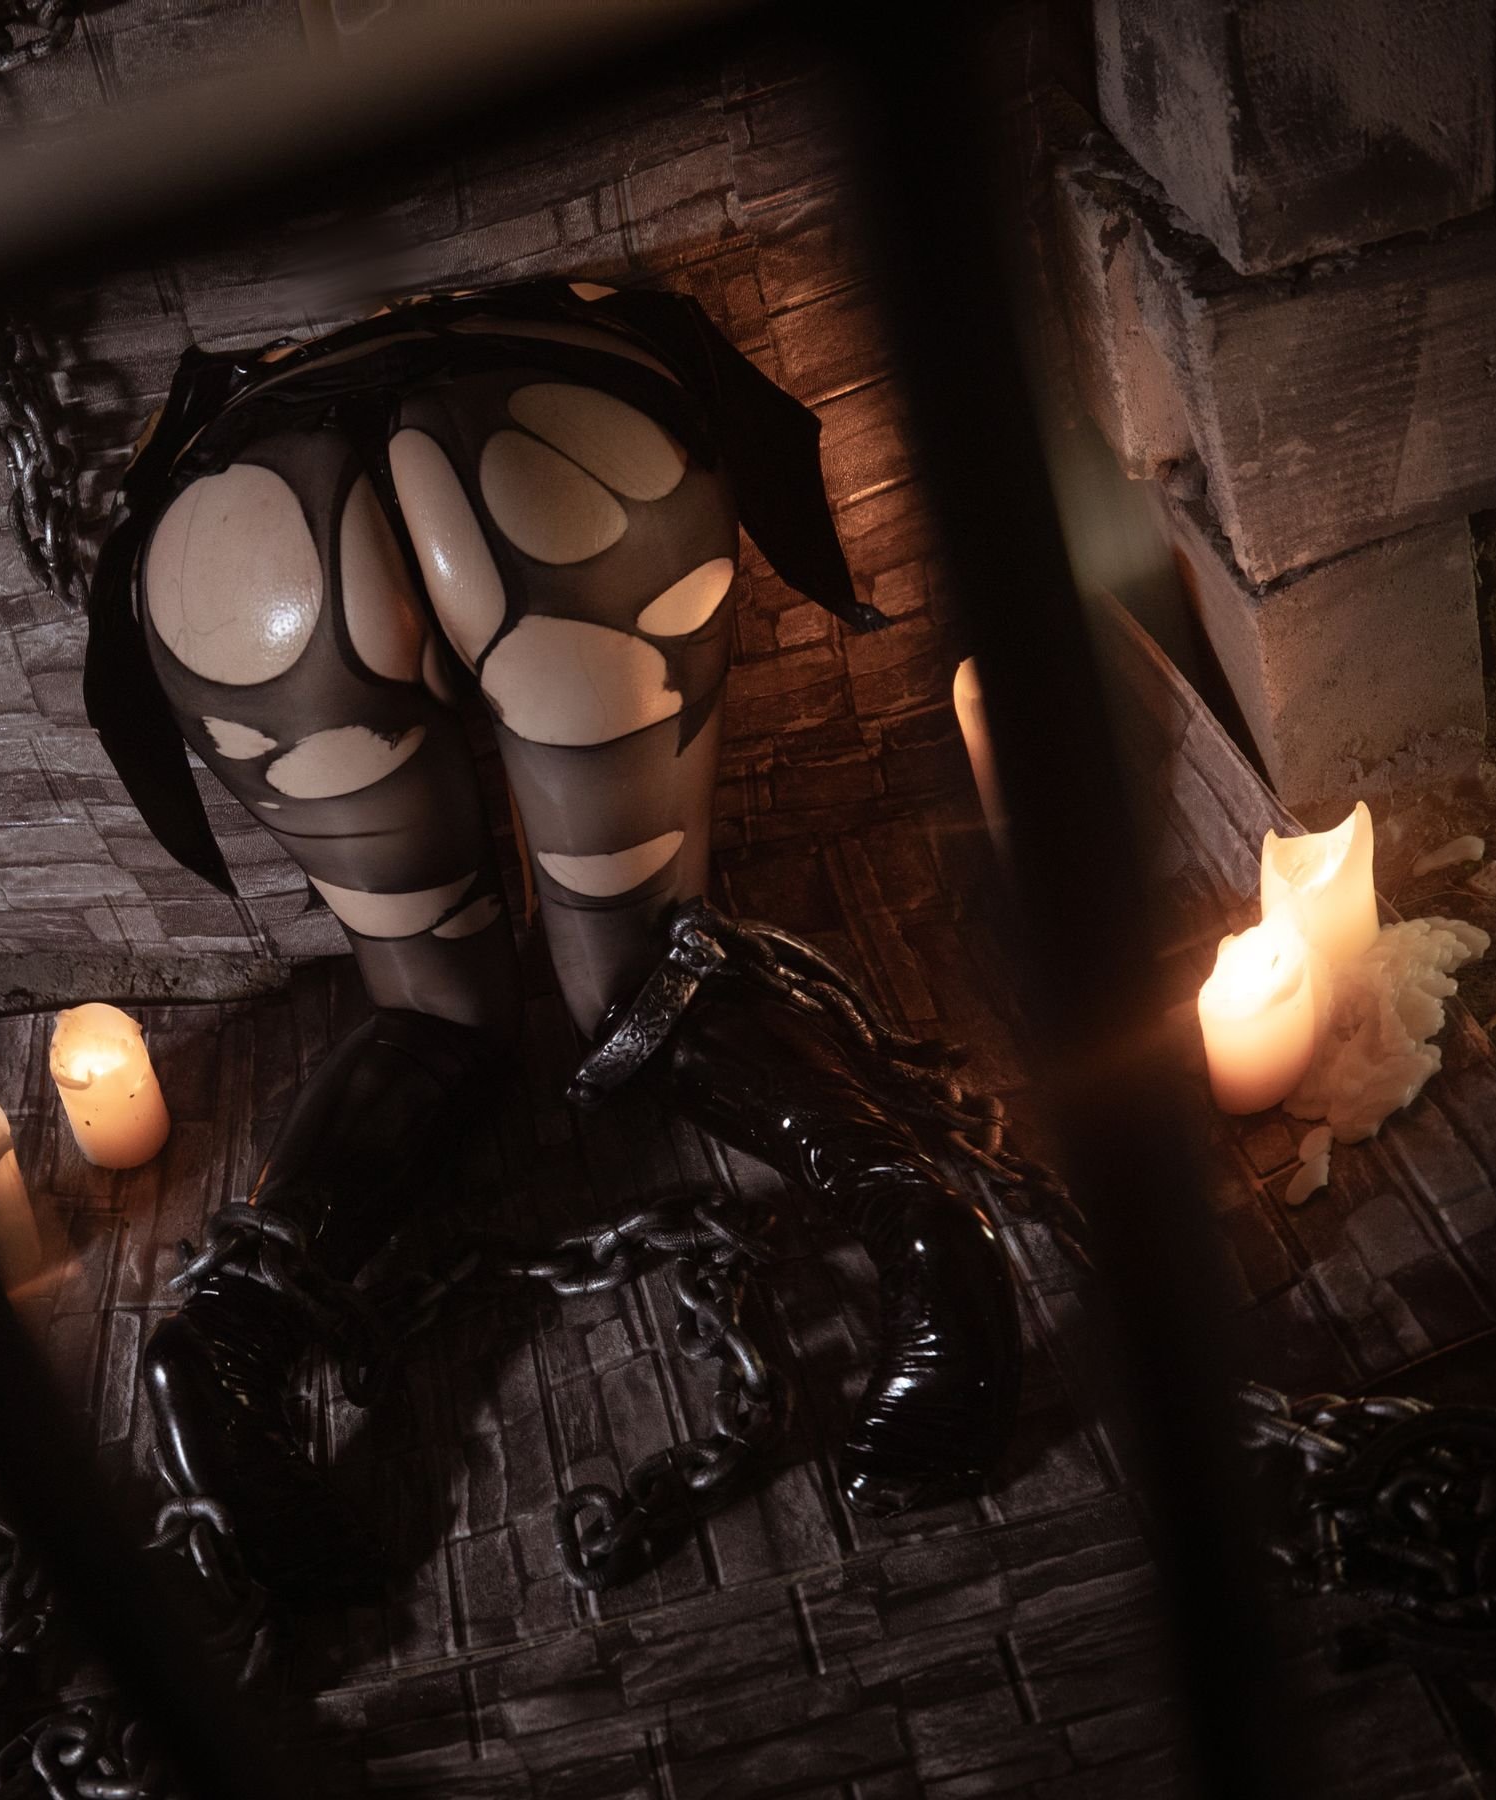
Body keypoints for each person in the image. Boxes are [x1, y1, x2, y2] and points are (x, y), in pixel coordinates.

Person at [81, 278, 1026, 1603]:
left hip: (247, 532)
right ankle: (920, 1224)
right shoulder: (586, 310)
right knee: (641, 968)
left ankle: (228, 1335)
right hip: (559, 435)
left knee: (430, 1009)